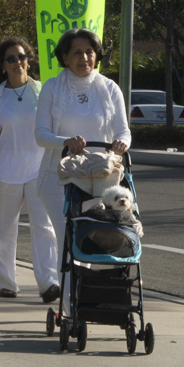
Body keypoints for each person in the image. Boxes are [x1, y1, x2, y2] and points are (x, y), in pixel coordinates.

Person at [35, 28, 131, 299]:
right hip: (58, 179)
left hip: (99, 178)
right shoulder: (52, 88)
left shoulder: (110, 88)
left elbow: (124, 131)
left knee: (89, 239)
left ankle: (81, 302)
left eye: (89, 51)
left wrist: (123, 143)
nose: (84, 57)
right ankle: (69, 306)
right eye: (77, 52)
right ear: (65, 57)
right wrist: (66, 141)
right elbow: (40, 135)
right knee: (69, 239)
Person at [0, 38, 59, 301]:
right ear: (3, 64)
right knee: (2, 230)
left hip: (39, 171)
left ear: (29, 59)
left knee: (44, 228)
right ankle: (6, 282)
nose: (17, 62)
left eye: (21, 57)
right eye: (11, 58)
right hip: (4, 172)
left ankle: (48, 283)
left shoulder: (42, 91)